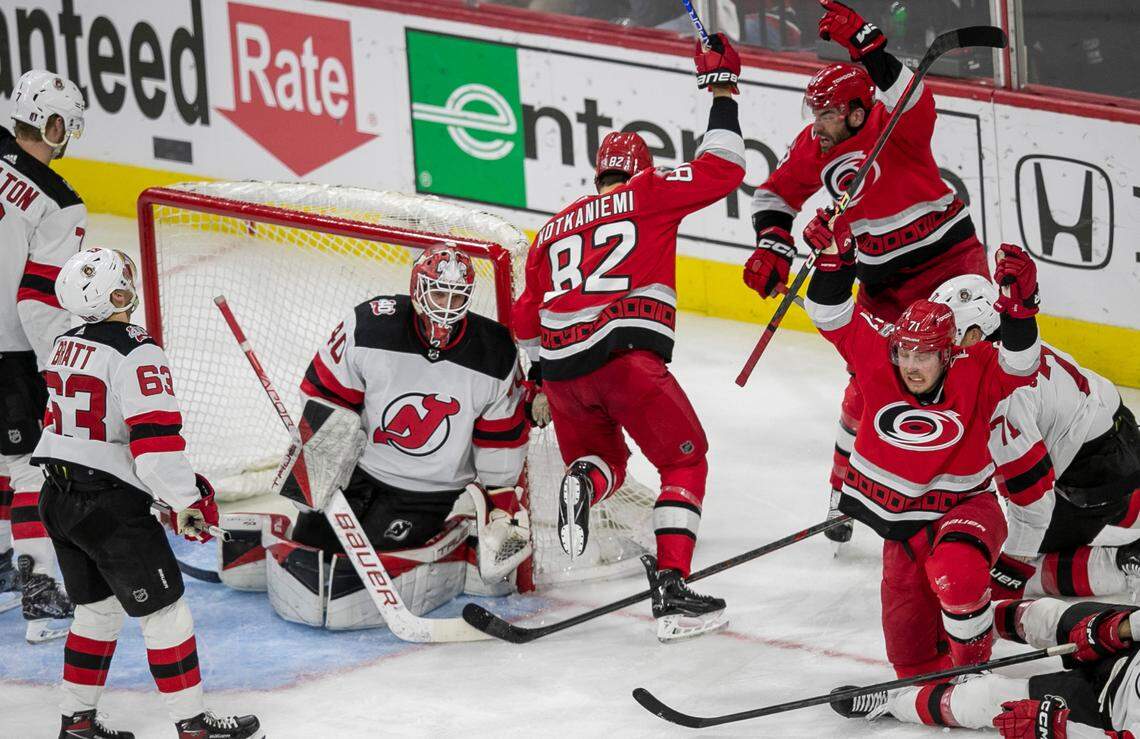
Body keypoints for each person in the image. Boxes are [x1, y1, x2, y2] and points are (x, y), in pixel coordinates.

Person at [512, 33, 745, 641]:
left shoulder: (549, 231)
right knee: (682, 458)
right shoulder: (649, 192)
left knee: (606, 460)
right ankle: (670, 590)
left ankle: (583, 482)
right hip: (626, 362)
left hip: (562, 375)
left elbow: (524, 318)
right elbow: (726, 168)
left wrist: (538, 379)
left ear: (597, 175)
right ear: (639, 170)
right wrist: (721, 91)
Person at [744, 0, 990, 546]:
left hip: (949, 265)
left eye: (828, 114)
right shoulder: (816, 145)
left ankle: (989, 486)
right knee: (866, 385)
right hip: (882, 282)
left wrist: (871, 47)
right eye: (816, 115)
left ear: (858, 111)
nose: (819, 125)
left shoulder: (897, 126)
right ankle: (846, 491)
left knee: (973, 375)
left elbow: (914, 94)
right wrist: (773, 244)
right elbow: (774, 194)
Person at [802, 211, 1043, 676]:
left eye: (924, 356)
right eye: (905, 354)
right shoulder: (880, 361)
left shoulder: (975, 369)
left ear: (949, 351)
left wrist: (1022, 306)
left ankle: (973, 671)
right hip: (902, 528)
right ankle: (940, 690)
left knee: (956, 571)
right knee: (910, 663)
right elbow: (830, 314)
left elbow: (1021, 363)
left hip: (965, 509)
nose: (912, 366)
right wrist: (834, 261)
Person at [32, 247, 260, 738]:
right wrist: (187, 500)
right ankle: (194, 727)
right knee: (166, 614)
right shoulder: (137, 350)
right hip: (106, 507)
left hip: (57, 498)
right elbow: (154, 449)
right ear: (117, 291)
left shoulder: (62, 343)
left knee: (96, 611)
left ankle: (77, 725)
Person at [274, 244, 534, 629]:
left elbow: (502, 438)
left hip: (427, 491)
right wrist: (319, 460)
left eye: (458, 295)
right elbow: (323, 392)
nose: (448, 305)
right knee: (310, 552)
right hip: (357, 470)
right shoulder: (370, 324)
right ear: (417, 288)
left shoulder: (493, 351)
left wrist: (501, 504)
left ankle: (459, 535)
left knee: (370, 564)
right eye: (439, 292)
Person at [930, 274, 1140, 601]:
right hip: (1115, 432)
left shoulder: (1001, 394)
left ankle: (1125, 563)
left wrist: (1012, 567)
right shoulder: (1013, 350)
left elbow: (1034, 502)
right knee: (1109, 499)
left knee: (1017, 573)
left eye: (947, 339)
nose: (938, 351)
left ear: (974, 333)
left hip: (1092, 468)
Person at [0, 70, 88, 638]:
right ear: (54, 126)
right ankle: (39, 591)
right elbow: (38, 302)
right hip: (9, 352)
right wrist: (62, 367)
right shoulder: (59, 202)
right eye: (66, 130)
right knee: (29, 468)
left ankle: (6, 571)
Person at [831, 597, 1140, 738]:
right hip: (1129, 650)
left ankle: (893, 703)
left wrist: (1058, 728)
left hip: (1106, 706)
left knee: (987, 698)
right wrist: (1115, 628)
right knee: (1045, 616)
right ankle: (962, 618)